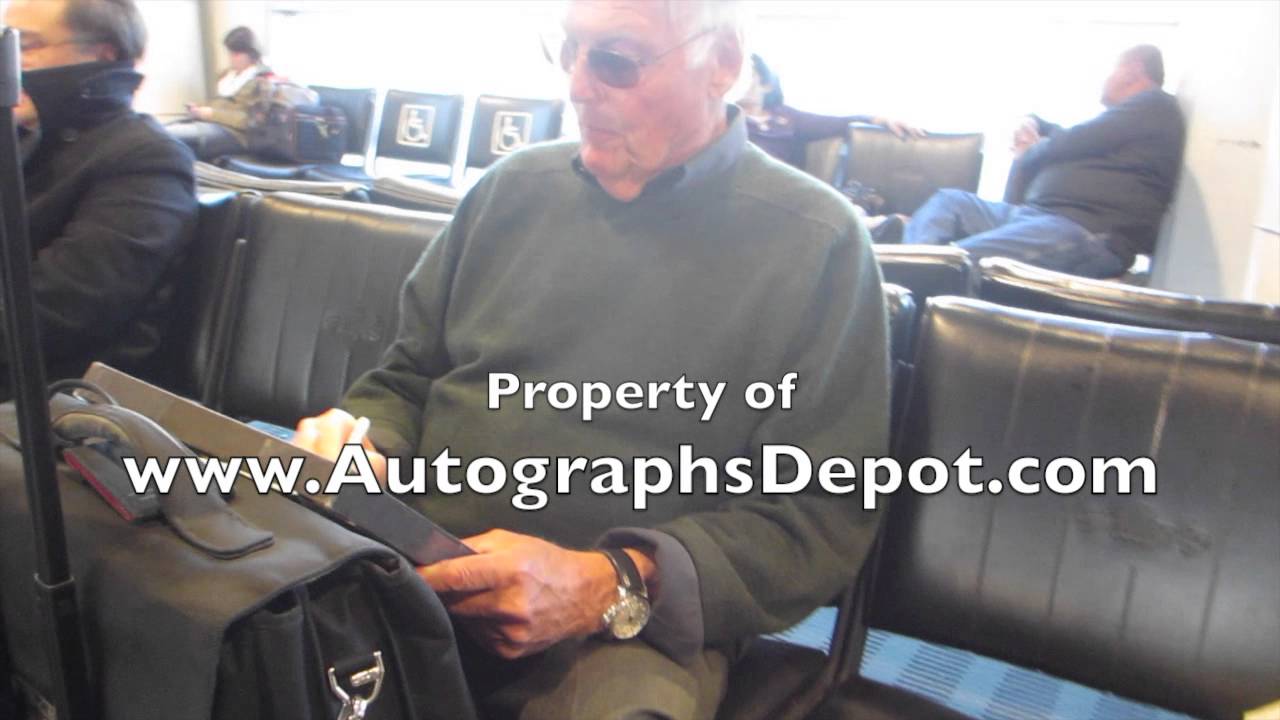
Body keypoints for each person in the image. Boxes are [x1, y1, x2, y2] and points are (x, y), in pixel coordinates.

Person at [293, 1, 890, 718]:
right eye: (569, 50)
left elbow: (815, 514)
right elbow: (404, 379)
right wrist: (365, 441)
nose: (577, 86)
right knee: (224, 633)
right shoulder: (510, 191)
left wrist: (610, 581)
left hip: (624, 628)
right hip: (417, 563)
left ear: (723, 64)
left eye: (616, 59)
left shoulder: (816, 244)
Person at [3, 0, 196, 400]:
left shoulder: (147, 159)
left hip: (68, 404)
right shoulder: (22, 143)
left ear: (102, 54)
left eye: (27, 46)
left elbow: (61, 309)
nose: (10, 63)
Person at [903, 45, 1186, 278]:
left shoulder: (1155, 104)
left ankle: (908, 276)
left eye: (1112, 70)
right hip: (1035, 217)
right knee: (949, 201)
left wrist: (1030, 151)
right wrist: (1032, 122)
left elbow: (1073, 140)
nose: (1105, 80)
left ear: (1133, 69)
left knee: (957, 262)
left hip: (1083, 230)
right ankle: (909, 267)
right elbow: (1066, 135)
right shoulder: (1129, 122)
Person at [738, 53, 924, 169]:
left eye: (747, 76)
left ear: (767, 85)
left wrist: (880, 120)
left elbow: (836, 123)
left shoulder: (786, 116)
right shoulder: (727, 117)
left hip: (783, 187)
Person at [167, 26, 272, 160]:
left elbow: (250, 121)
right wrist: (199, 110)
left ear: (251, 54)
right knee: (163, 132)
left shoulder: (262, 81)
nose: (232, 58)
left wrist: (211, 114)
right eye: (230, 53)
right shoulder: (227, 76)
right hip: (213, 125)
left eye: (237, 54)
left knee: (173, 136)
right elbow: (218, 104)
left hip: (237, 135)